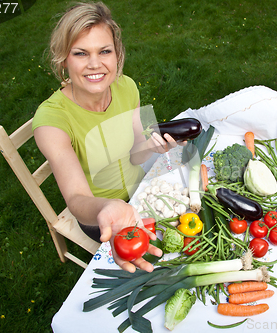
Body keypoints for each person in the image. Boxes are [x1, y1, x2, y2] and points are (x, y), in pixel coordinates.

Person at [33, 1, 183, 273]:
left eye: (104, 51)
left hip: (142, 190)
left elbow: (137, 155)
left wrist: (152, 145)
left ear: (117, 55)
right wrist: (108, 208)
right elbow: (77, 199)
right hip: (100, 215)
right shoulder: (51, 121)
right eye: (80, 53)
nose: (95, 64)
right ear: (63, 59)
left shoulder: (127, 87)